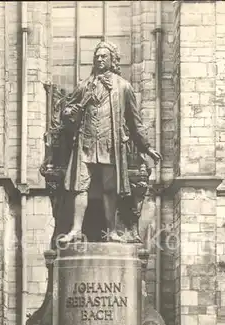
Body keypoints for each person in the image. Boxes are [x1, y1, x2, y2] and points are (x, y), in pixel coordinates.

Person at [59, 41, 162, 243]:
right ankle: (76, 230)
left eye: (104, 56)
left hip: (110, 144)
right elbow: (67, 111)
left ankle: (112, 231)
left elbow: (135, 122)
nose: (99, 59)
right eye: (97, 56)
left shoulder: (124, 87)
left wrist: (147, 147)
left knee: (110, 188)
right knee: (80, 186)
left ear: (113, 60)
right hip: (86, 143)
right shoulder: (84, 85)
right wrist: (70, 112)